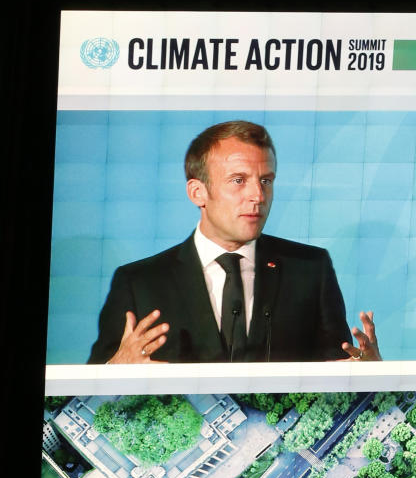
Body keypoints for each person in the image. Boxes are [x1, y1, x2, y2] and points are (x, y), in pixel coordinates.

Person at [87, 120, 380, 366]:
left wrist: (370, 374)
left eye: (266, 181)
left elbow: (339, 372)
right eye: (239, 180)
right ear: (198, 192)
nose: (258, 196)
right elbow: (86, 400)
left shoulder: (310, 270)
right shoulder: (139, 283)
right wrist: (112, 371)